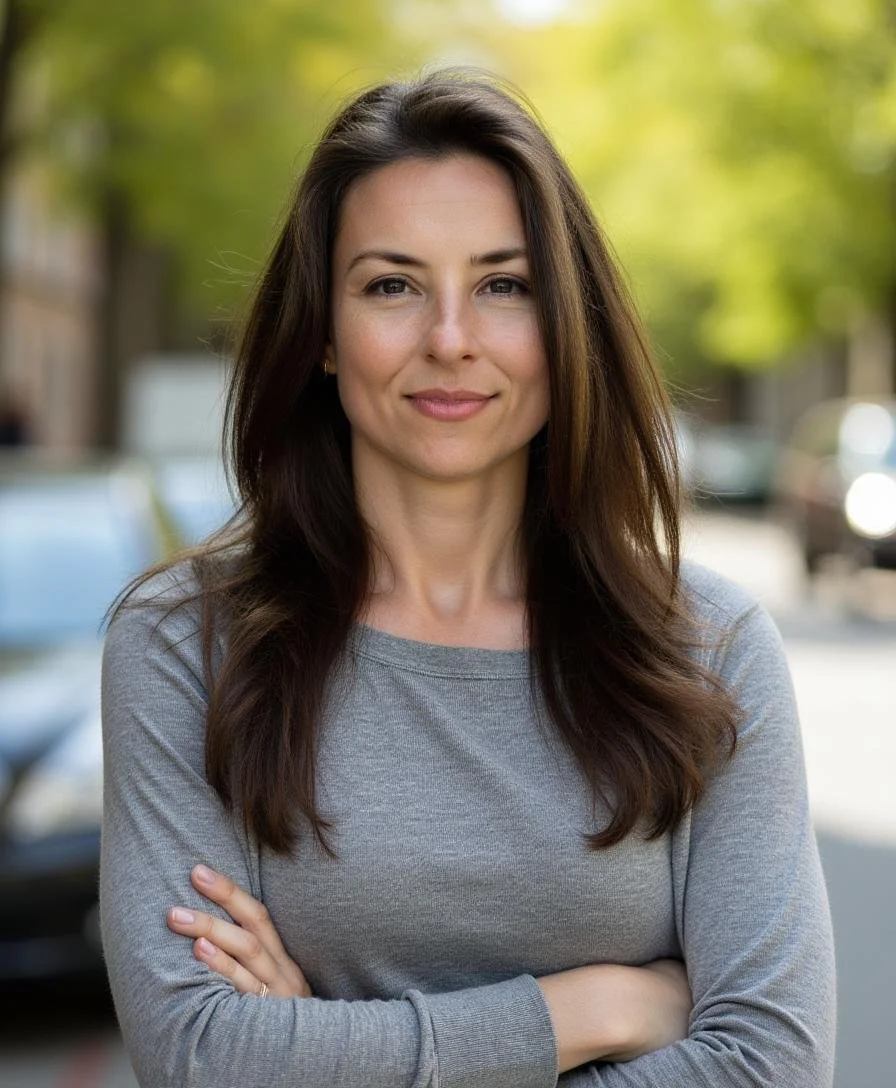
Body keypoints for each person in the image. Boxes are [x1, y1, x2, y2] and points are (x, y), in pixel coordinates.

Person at [100, 70, 836, 1087]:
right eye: (391, 286)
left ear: (565, 325)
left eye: (503, 286)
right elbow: (199, 1056)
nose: (450, 339)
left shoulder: (706, 646)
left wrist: (322, 1047)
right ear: (322, 333)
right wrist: (596, 1007)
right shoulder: (188, 645)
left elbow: (770, 1065)